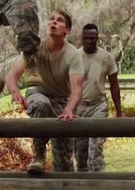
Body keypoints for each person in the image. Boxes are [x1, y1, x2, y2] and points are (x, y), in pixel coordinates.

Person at [7, 10, 85, 174]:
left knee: (64, 164)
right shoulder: (35, 49)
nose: (54, 22)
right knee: (42, 104)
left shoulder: (73, 54)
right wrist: (15, 91)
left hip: (62, 102)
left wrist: (69, 110)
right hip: (38, 95)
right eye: (51, 19)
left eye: (59, 20)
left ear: (67, 29)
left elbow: (77, 89)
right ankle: (39, 156)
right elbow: (13, 75)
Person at [74, 23, 122, 172]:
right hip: (79, 106)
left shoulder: (106, 58)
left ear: (97, 39)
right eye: (85, 38)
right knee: (80, 151)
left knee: (95, 148)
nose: (88, 41)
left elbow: (114, 84)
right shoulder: (75, 56)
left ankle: (98, 181)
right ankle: (83, 186)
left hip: (98, 106)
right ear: (82, 38)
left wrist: (119, 112)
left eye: (92, 38)